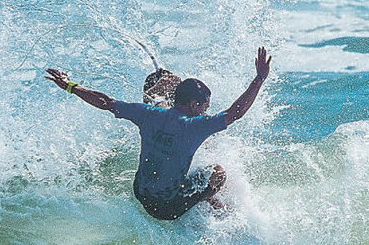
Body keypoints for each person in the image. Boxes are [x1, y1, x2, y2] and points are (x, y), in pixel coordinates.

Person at [46, 47, 272, 220]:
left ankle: (162, 86)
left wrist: (70, 86)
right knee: (218, 173)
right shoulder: (195, 126)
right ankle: (214, 211)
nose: (206, 110)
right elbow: (235, 113)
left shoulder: (147, 114)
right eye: (204, 106)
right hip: (166, 208)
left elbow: (105, 102)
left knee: (160, 106)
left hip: (140, 193)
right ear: (194, 104)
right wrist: (259, 78)